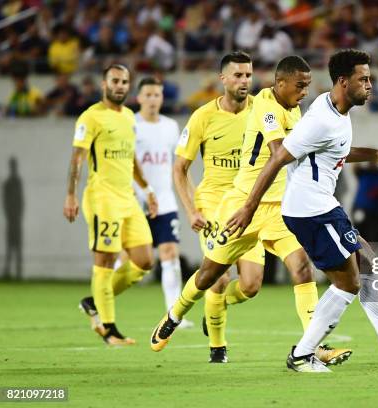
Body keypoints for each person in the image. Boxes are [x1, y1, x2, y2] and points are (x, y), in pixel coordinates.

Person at [150, 53, 350, 365]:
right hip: (242, 203)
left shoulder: (295, 110)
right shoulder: (265, 106)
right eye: (300, 85)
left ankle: (314, 346)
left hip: (280, 208)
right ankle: (175, 314)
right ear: (280, 83)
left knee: (299, 268)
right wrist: (193, 210)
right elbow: (278, 153)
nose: (305, 92)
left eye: (248, 75)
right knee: (209, 275)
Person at [224, 49, 378, 373]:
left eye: (369, 79)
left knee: (366, 263)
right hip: (310, 209)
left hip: (323, 205)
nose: (369, 85)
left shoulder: (336, 111)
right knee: (349, 283)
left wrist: (376, 154)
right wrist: (249, 207)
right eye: (363, 79)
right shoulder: (321, 118)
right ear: (342, 81)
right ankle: (302, 355)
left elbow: (336, 149)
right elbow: (278, 158)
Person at [63, 64, 158, 346]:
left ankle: (94, 302)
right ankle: (109, 329)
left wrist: (148, 189)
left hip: (127, 198)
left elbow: (130, 159)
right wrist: (70, 195)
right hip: (102, 198)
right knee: (104, 262)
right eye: (115, 81)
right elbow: (77, 158)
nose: (120, 86)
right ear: (104, 85)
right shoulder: (90, 118)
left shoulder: (129, 117)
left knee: (144, 261)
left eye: (125, 81)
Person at [133, 77, 193, 328]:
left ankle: (173, 314)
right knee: (130, 260)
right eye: (148, 94)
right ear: (138, 98)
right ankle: (103, 307)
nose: (153, 99)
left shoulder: (170, 126)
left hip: (165, 200)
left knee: (169, 253)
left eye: (157, 95)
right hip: (135, 200)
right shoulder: (131, 125)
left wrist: (190, 196)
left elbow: (180, 165)